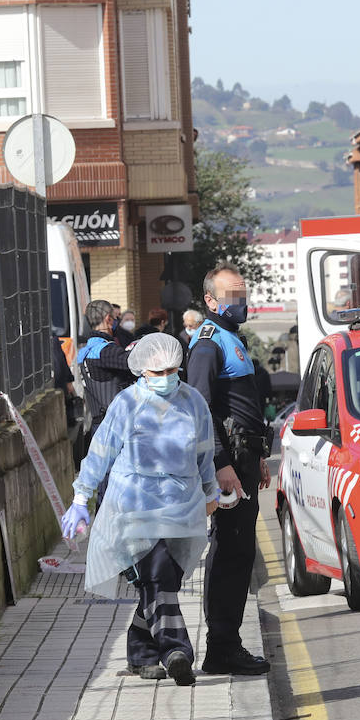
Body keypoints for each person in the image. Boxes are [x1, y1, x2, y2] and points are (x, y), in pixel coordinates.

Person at [61, 334, 219, 685]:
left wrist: (212, 490)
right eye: (158, 372)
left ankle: (141, 655)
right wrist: (80, 497)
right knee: (158, 573)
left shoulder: (192, 402)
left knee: (162, 580)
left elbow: (204, 452)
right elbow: (101, 451)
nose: (166, 377)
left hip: (180, 505)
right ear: (142, 370)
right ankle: (177, 651)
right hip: (132, 505)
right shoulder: (127, 404)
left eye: (172, 370)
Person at [186, 263, 272, 676]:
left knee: (241, 553)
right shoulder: (207, 344)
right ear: (211, 300)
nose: (241, 302)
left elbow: (241, 406)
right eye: (233, 295)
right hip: (228, 463)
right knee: (230, 552)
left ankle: (227, 643)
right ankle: (221, 648)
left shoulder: (230, 337)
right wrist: (221, 464)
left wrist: (257, 456)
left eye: (243, 294)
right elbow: (200, 410)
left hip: (243, 458)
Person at [75, 299, 137, 431]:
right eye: (115, 318)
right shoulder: (106, 351)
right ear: (108, 319)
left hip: (98, 425)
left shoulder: (84, 351)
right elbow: (135, 363)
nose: (117, 322)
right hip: (116, 426)